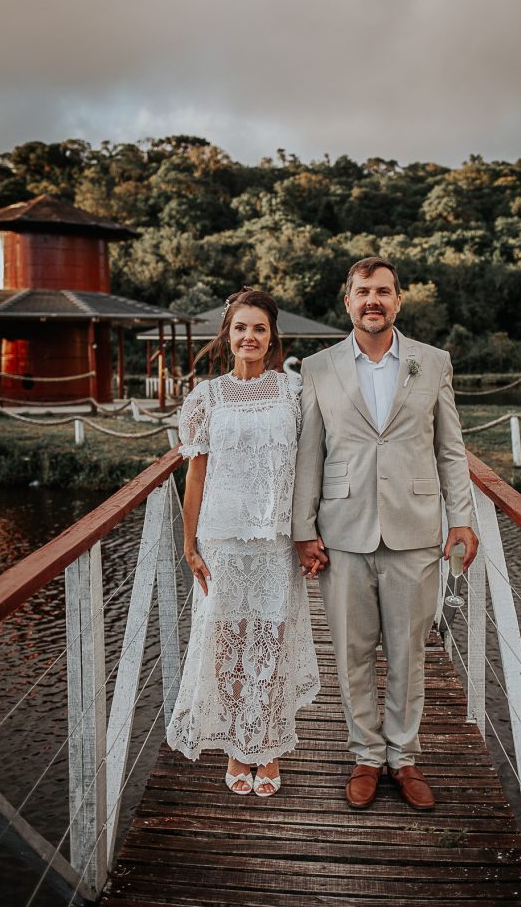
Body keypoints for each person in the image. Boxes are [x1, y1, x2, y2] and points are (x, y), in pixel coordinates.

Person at [293, 256, 478, 811]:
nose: (373, 301)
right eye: (362, 292)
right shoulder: (318, 368)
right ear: (346, 301)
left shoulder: (433, 361)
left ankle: (405, 756)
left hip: (415, 529)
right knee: (350, 654)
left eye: (383, 292)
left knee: (408, 654)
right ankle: (366, 756)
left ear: (399, 300)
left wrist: (462, 517)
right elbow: (310, 454)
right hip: (343, 532)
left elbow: (450, 448)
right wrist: (304, 529)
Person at [167, 288, 320, 797]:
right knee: (225, 642)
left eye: (259, 328)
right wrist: (189, 544)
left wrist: (308, 533)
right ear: (228, 335)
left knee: (271, 641)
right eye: (240, 328)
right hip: (221, 540)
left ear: (271, 335)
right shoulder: (205, 398)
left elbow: (310, 467)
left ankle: (267, 744)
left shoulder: (293, 392)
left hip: (277, 541)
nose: (249, 337)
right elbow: (196, 475)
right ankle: (236, 745)